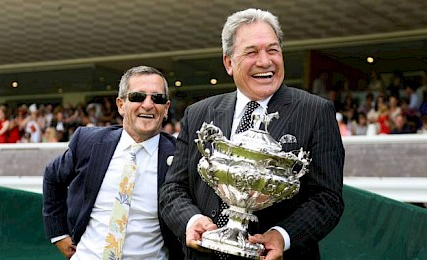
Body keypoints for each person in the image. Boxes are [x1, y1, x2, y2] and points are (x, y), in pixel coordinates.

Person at [159, 8, 345, 260]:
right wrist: (190, 221)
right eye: (251, 52)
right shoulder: (198, 114)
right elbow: (173, 189)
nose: (265, 61)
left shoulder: (315, 111)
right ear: (228, 63)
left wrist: (282, 235)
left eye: (272, 50)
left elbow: (327, 198)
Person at [42, 66, 183, 259]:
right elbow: (52, 176)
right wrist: (58, 234)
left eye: (157, 98)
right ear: (120, 105)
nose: (148, 105)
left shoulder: (180, 156)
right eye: (137, 96)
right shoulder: (88, 142)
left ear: (166, 109)